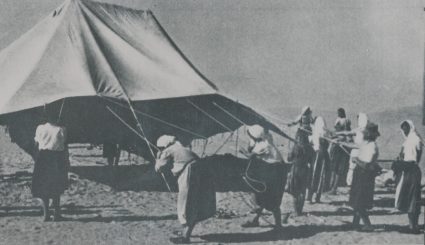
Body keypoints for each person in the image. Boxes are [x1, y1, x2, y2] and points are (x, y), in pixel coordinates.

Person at [155, 135, 216, 244]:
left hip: (189, 173)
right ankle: (186, 232)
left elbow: (159, 167)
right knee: (193, 202)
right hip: (199, 171)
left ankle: (185, 237)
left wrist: (158, 157)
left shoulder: (168, 150)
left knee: (186, 203)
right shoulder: (181, 147)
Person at [240, 125, 287, 229]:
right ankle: (255, 220)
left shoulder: (264, 145)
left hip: (275, 172)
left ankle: (278, 225)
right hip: (273, 170)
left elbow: (250, 155)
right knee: (262, 195)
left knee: (271, 198)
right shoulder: (267, 138)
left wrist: (242, 150)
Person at [32, 113, 70, 222]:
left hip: (42, 157)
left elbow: (36, 143)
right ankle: (57, 214)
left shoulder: (40, 128)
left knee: (44, 186)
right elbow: (64, 146)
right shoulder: (62, 129)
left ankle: (46, 214)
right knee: (56, 186)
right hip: (56, 158)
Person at [349, 122, 381, 232]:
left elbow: (366, 165)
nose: (365, 134)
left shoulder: (372, 146)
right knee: (356, 199)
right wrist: (339, 142)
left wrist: (355, 160)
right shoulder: (366, 143)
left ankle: (368, 225)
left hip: (365, 175)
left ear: (371, 134)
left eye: (367, 132)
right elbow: (355, 145)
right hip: (360, 174)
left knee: (359, 201)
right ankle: (355, 223)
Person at [392, 120, 423, 233]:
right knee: (413, 198)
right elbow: (418, 157)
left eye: (405, 129)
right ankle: (413, 225)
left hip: (409, 170)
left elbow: (403, 156)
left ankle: (412, 226)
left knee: (411, 198)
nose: (404, 131)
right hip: (412, 170)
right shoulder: (416, 140)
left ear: (409, 128)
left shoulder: (410, 141)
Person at [336, 113, 369, 186]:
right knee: (352, 169)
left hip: (359, 154)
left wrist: (343, 143)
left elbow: (356, 145)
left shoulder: (364, 132)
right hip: (355, 154)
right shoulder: (359, 130)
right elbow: (348, 132)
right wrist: (337, 133)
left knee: (356, 171)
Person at [287, 128, 312, 216]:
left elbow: (289, 158)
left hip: (296, 169)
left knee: (295, 191)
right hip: (305, 169)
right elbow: (311, 160)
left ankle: (296, 211)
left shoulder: (296, 147)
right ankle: (300, 210)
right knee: (302, 190)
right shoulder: (309, 147)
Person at [307, 116, 331, 203]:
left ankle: (309, 197)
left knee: (314, 175)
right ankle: (317, 197)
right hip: (324, 155)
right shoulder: (326, 133)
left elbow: (312, 142)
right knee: (322, 176)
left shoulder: (316, 133)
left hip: (317, 155)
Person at [328, 108, 352, 194]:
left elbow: (344, 134)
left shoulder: (343, 121)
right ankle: (332, 186)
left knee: (337, 168)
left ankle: (333, 187)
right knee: (336, 168)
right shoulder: (343, 121)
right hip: (339, 145)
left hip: (340, 147)